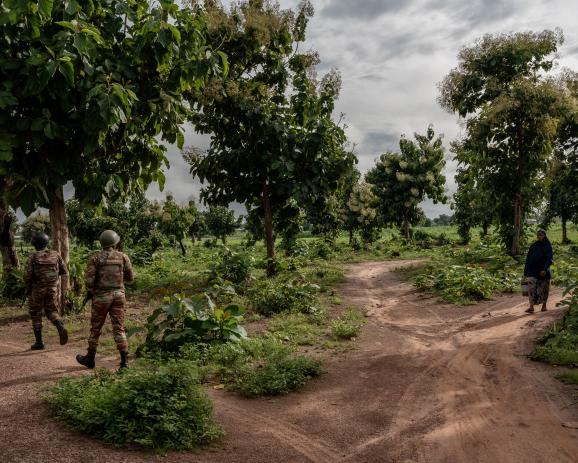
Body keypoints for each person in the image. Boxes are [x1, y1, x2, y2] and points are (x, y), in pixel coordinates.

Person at [76, 230, 134, 369]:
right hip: (119, 296)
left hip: (101, 297)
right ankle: (124, 362)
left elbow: (89, 281)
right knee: (119, 328)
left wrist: (94, 289)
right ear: (115, 242)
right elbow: (130, 278)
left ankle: (90, 358)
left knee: (95, 328)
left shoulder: (95, 258)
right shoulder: (123, 257)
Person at [23, 233, 69, 349]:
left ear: (34, 244)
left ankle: (39, 342)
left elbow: (27, 276)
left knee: (35, 313)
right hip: (53, 288)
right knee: (51, 310)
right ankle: (59, 325)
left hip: (37, 289)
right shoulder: (55, 254)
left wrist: (27, 289)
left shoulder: (32, 257)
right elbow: (64, 271)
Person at [523, 228, 553, 314]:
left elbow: (549, 259)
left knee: (544, 288)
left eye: (541, 235)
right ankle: (531, 306)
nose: (539, 237)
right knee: (531, 288)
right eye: (538, 235)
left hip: (544, 271)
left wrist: (544, 269)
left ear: (544, 236)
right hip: (533, 270)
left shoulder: (548, 246)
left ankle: (544, 305)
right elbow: (528, 259)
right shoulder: (533, 246)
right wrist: (526, 272)